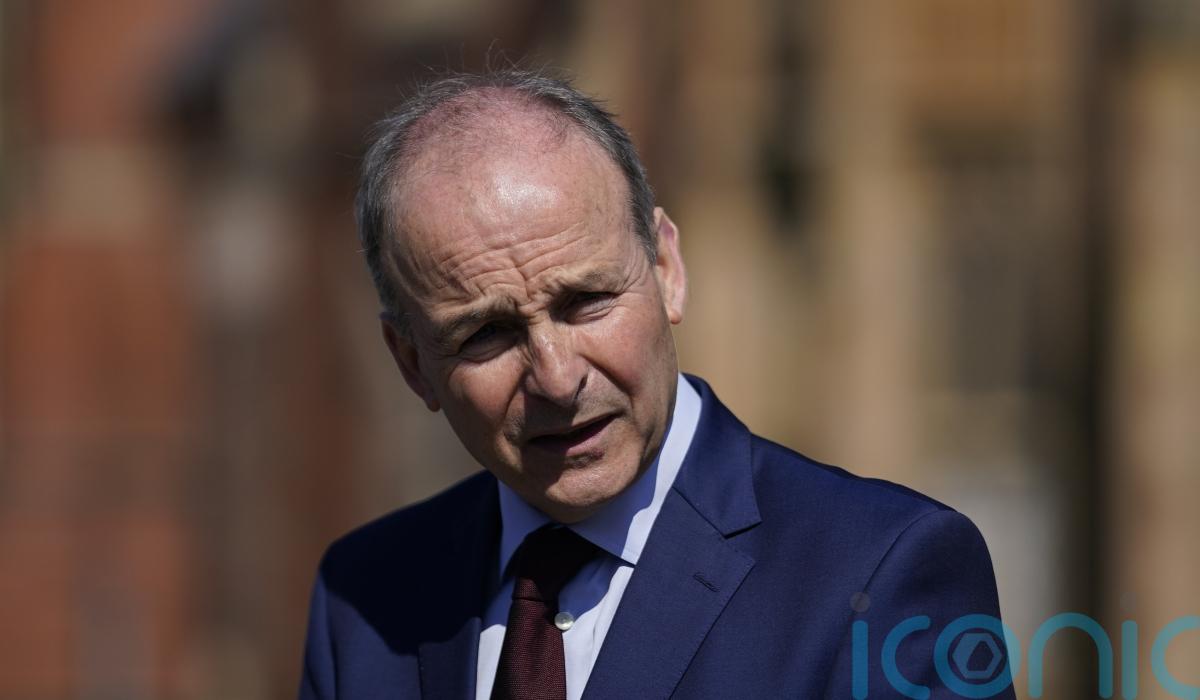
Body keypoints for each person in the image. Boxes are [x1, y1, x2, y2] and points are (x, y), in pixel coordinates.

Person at [298, 69, 1014, 700]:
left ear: (666, 270)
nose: (557, 377)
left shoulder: (878, 572)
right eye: (487, 333)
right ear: (411, 362)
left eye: (586, 301)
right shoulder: (364, 599)